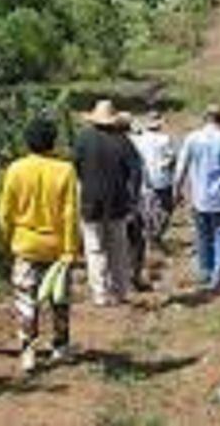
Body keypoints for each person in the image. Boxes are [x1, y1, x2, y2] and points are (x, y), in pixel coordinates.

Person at [0, 117, 79, 374]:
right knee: (59, 298)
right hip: (57, 247)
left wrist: (6, 240)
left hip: (25, 245)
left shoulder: (16, 169)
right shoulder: (65, 170)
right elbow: (70, 214)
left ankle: (28, 350)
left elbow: (5, 213)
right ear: (53, 142)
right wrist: (70, 249)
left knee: (26, 301)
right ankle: (60, 346)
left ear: (27, 142)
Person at [74, 100, 141, 306]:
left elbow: (75, 167)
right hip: (118, 201)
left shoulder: (83, 139)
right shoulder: (123, 141)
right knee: (117, 249)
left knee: (95, 249)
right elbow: (136, 171)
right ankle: (119, 291)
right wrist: (133, 198)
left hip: (90, 201)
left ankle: (100, 294)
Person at [174, 104, 220, 294]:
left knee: (202, 235)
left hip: (199, 197)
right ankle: (218, 276)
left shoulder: (193, 138)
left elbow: (181, 167)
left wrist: (177, 190)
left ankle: (205, 272)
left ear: (205, 119)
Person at [132, 110, 178, 252]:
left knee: (147, 209)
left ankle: (149, 236)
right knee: (165, 208)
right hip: (162, 179)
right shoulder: (165, 139)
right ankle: (155, 236)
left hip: (144, 180)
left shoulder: (138, 140)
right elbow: (172, 159)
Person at [117, 111, 151, 292]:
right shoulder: (131, 145)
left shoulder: (110, 142)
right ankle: (133, 276)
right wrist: (134, 201)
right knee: (136, 240)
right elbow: (137, 175)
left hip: (109, 202)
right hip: (129, 201)